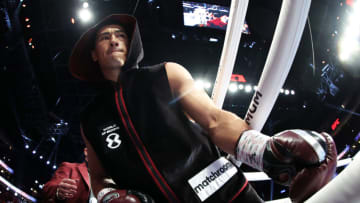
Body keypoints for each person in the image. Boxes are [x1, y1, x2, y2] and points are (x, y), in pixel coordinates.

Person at [69, 14, 337, 203]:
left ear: (130, 45)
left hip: (226, 194)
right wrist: (108, 196)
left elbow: (214, 120)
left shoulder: (166, 74)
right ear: (93, 54)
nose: (114, 40)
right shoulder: (91, 119)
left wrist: (263, 151)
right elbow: (100, 177)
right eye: (105, 37)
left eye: (120, 36)